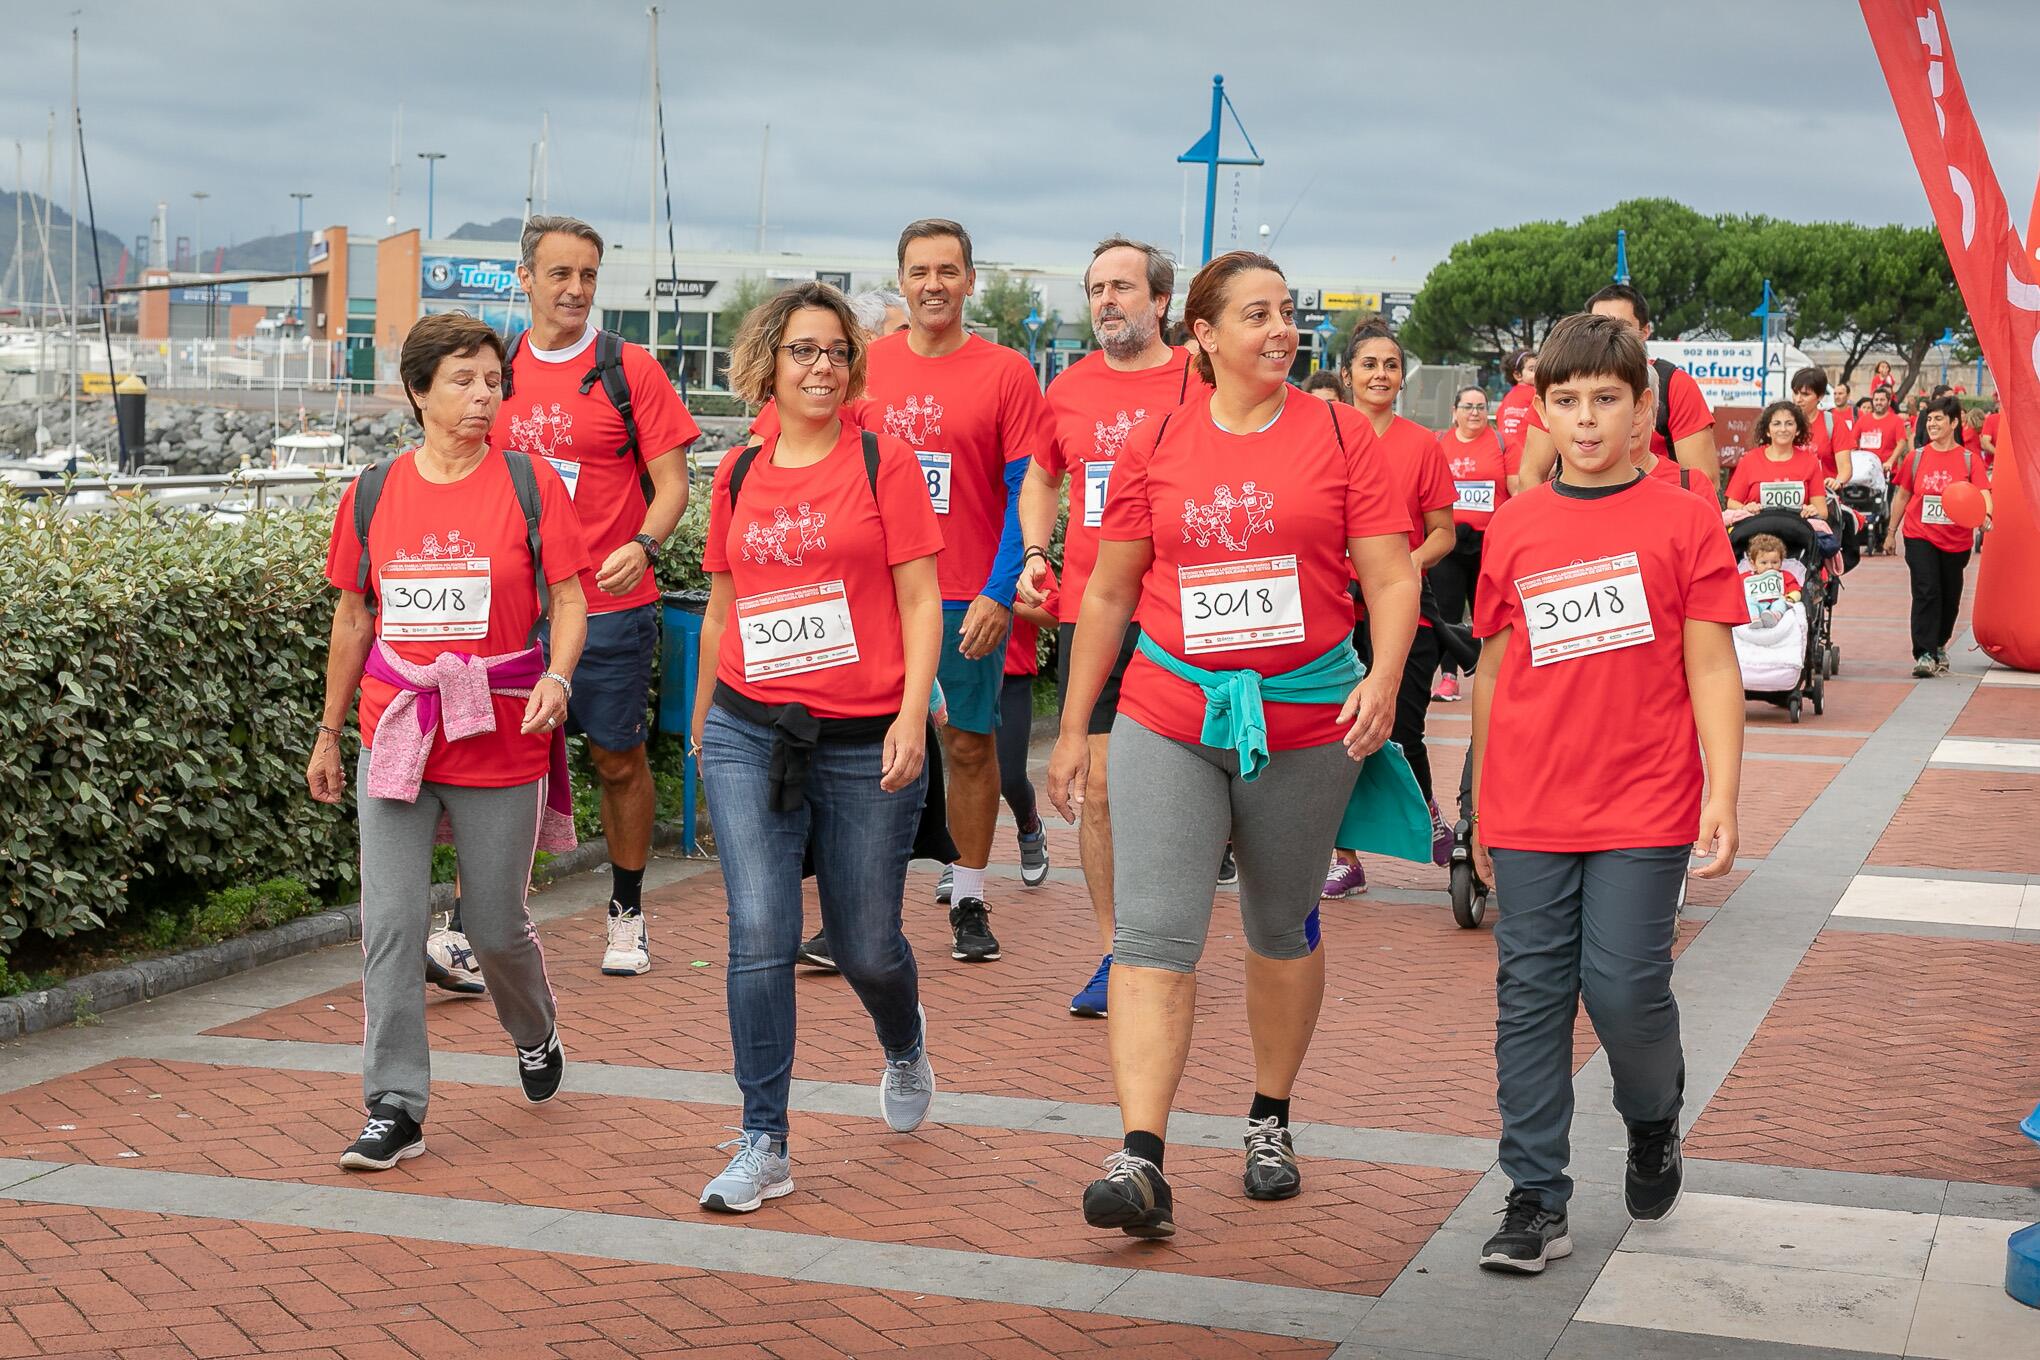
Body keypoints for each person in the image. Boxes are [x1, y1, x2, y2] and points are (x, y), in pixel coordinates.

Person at [1046, 250, 1418, 1237]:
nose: (1281, 330)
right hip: (1169, 713)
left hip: (1305, 722)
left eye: (1288, 313)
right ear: (1203, 334)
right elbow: (1112, 589)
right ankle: (1140, 1157)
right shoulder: (1158, 438)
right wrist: (1081, 723)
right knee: (1153, 932)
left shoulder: (1339, 432)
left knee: (1278, 924)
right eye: (1258, 314)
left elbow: (1388, 576)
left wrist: (1382, 679)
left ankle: (1269, 1116)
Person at [1468, 313, 1746, 1274]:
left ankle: (1653, 1113)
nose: (1585, 421)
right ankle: (1535, 1197)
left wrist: (1724, 791)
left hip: (1645, 799)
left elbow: (1711, 666)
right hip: (1532, 802)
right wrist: (1479, 802)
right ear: (1541, 410)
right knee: (1531, 996)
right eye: (1567, 401)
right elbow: (1496, 676)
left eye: (1606, 401)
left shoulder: (1684, 516)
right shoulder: (1516, 524)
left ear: (1641, 414)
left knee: (1625, 987)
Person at [311, 311, 590, 1171]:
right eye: (464, 381)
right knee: (391, 923)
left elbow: (570, 600)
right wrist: (328, 732)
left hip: (503, 727)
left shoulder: (529, 483)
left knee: (496, 925)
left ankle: (534, 1027)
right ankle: (395, 1105)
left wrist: (558, 677)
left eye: (492, 380)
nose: (483, 396)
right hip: (399, 726)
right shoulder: (372, 491)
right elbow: (355, 616)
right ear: (418, 391)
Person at [690, 283, 944, 1212]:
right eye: (803, 351)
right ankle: (765, 1141)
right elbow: (723, 608)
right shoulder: (739, 473)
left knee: (867, 945)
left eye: (836, 352)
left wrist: (913, 716)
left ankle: (903, 1036)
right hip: (750, 730)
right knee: (759, 934)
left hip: (864, 736)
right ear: (768, 362)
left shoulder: (884, 461)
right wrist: (701, 720)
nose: (822, 368)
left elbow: (922, 601)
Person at [492, 215, 700, 978]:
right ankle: (484, 920)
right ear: (526, 279)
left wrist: (641, 544)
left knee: (617, 759)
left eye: (587, 275)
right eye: (560, 274)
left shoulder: (628, 368)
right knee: (494, 767)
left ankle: (627, 911)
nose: (576, 289)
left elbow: (674, 484)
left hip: (612, 606)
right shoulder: (494, 369)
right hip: (514, 615)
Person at [1017, 235, 1199, 1016]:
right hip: (1095, 610)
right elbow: (1042, 476)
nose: (1107, 301)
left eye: (1123, 287)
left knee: (1201, 790)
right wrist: (1034, 550)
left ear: (1161, 301)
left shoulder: (1201, 376)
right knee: (1095, 791)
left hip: (1191, 613)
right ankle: (1116, 955)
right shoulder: (1068, 389)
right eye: (1096, 288)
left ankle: (1181, 939)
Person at [865, 218, 1054, 964]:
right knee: (863, 749)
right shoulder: (864, 366)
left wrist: (1001, 589)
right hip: (874, 594)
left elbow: (1028, 490)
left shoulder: (1006, 373)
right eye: (920, 271)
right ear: (902, 280)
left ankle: (970, 898)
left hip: (965, 594)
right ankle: (861, 902)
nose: (934, 284)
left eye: (949, 270)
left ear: (970, 280)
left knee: (971, 749)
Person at [1322, 319, 1456, 901]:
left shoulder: (1421, 445)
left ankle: (1425, 812)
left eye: (1391, 365)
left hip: (1403, 607)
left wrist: (1403, 569)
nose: (1381, 374)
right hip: (1329, 608)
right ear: (1347, 374)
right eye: (1369, 364)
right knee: (1328, 733)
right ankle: (1341, 857)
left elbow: (1444, 533)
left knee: (1400, 727)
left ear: (1402, 378)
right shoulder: (1319, 437)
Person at [1516, 284, 1720, 490]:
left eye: (1620, 326)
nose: (1606, 333)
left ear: (1645, 331)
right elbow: (1531, 473)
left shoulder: (1674, 383)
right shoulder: (1560, 386)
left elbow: (1703, 479)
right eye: (1597, 323)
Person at [1887, 393, 1993, 677]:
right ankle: (1923, 653)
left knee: (1949, 596)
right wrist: (1890, 531)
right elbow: (1902, 495)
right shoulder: (1917, 457)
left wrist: (1987, 515)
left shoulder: (1970, 460)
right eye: (1929, 419)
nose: (1932, 424)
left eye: (1938, 419)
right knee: (1926, 590)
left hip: (1956, 541)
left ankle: (1939, 643)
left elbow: (1983, 492)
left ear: (1954, 422)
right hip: (1919, 534)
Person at [1432, 384, 1509, 703]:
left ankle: (1495, 675)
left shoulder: (1501, 442)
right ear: (1454, 412)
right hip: (1449, 541)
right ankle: (1449, 677)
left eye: (1481, 406)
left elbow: (1518, 486)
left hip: (1489, 542)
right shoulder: (1439, 443)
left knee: (1489, 612)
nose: (1475, 413)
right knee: (1447, 612)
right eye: (1468, 407)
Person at [999, 587, 1055, 891]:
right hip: (964, 671)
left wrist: (1002, 601)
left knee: (1009, 777)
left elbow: (1053, 614)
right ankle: (960, 860)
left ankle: (1030, 825)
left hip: (1012, 677)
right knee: (964, 769)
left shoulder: (1025, 553)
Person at [1725, 402, 1828, 520]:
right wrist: (1745, 508)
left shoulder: (1811, 462)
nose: (1783, 429)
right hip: (1756, 531)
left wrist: (1811, 510)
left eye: (1789, 424)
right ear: (1768, 431)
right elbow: (1731, 503)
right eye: (1776, 424)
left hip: (1798, 532)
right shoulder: (1749, 460)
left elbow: (1822, 512)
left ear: (1797, 430)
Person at [1496, 349, 1538, 495]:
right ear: (1517, 375)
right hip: (1525, 456)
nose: (1538, 373)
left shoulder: (1506, 400)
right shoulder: (1535, 394)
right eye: (1532, 369)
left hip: (1505, 455)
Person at [1788, 367, 1838, 486]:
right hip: (1789, 494)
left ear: (1820, 396)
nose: (1798, 399)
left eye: (1805, 394)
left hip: (1824, 496)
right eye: (1795, 393)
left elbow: (1845, 468)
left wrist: (1837, 481)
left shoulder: (1832, 422)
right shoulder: (1782, 423)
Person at [1844, 385, 1909, 476]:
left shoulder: (1896, 421)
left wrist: (1890, 461)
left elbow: (1901, 443)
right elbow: (1853, 440)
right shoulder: (1863, 419)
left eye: (1882, 400)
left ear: (1889, 402)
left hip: (1885, 470)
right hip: (1864, 470)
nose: (1878, 402)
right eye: (1876, 400)